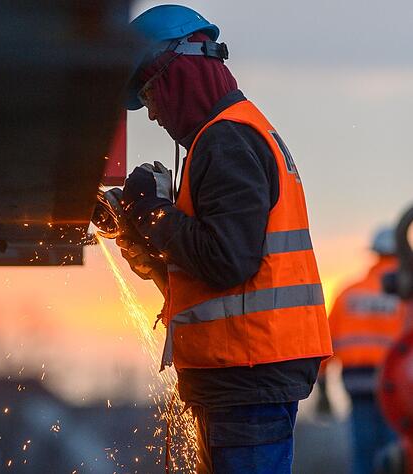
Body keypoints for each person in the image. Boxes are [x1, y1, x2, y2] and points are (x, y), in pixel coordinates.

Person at [117, 5, 332, 473]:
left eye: (149, 94)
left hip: (248, 374)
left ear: (176, 75)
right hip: (244, 372)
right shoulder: (229, 136)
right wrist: (148, 241)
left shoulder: (227, 139)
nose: (152, 113)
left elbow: (227, 260)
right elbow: (217, 269)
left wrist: (155, 213)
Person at [318, 227, 406, 474]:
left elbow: (326, 341)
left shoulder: (349, 292)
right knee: (395, 453)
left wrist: (323, 385)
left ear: (374, 254)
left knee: (363, 451)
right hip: (396, 384)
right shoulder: (405, 296)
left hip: (357, 381)